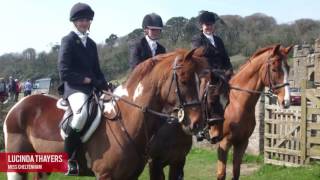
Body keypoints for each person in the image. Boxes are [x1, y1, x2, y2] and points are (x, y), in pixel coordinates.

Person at [58, 2, 110, 175]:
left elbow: (97, 71)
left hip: (92, 88)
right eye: (80, 20)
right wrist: (84, 79)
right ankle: (68, 158)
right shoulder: (68, 41)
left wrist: (106, 86)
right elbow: (64, 71)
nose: (84, 23)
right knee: (81, 115)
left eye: (87, 20)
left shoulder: (92, 44)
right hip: (74, 87)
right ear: (74, 22)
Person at [191, 11, 233, 141]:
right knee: (203, 94)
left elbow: (225, 58)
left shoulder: (218, 40)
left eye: (211, 25)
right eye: (206, 25)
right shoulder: (197, 40)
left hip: (221, 75)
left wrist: (230, 70)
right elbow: (199, 58)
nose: (209, 27)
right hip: (205, 74)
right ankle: (200, 127)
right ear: (201, 26)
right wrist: (213, 72)